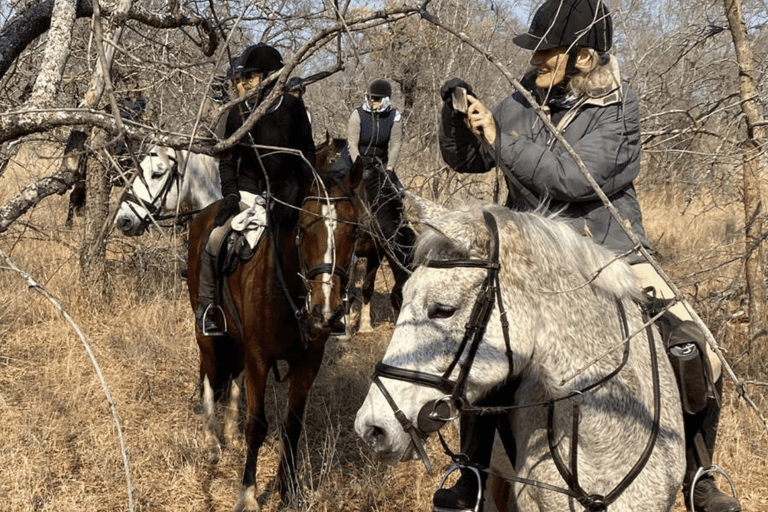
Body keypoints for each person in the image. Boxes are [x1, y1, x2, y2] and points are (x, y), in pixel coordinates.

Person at [435, 0, 741, 511]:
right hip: (531, 257)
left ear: (583, 58)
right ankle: (469, 466)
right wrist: (457, 121)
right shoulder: (520, 100)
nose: (534, 62)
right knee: (483, 340)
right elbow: (470, 159)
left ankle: (698, 472)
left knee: (695, 345)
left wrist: (501, 137)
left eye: (546, 54)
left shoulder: (620, 109)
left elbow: (575, 180)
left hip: (611, 254)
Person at [195, 43, 315, 336]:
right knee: (214, 240)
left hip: (287, 196)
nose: (243, 82)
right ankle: (209, 308)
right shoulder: (237, 112)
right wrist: (232, 194)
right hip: (247, 195)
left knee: (324, 237)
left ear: (271, 76)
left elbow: (307, 154)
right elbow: (227, 160)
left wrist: (296, 189)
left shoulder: (293, 107)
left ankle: (326, 308)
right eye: (242, 77)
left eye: (251, 76)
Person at [332, 78, 415, 306]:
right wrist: (358, 165)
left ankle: (399, 250)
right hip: (354, 160)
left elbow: (395, 144)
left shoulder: (394, 116)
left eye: (377, 99)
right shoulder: (357, 115)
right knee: (332, 191)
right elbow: (352, 143)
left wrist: (390, 168)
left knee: (398, 199)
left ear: (386, 99)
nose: (373, 102)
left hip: (380, 164)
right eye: (371, 98)